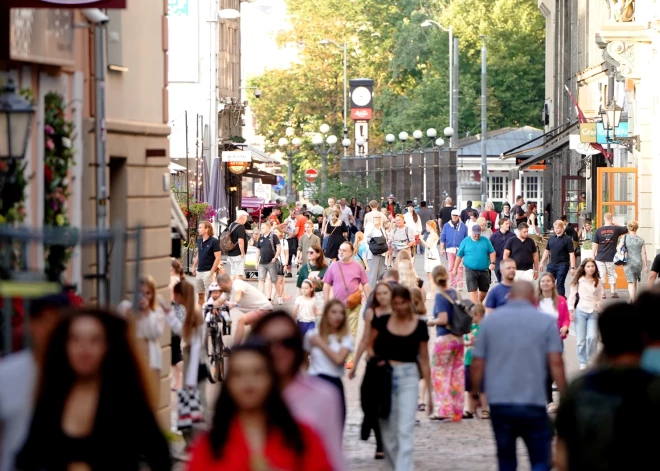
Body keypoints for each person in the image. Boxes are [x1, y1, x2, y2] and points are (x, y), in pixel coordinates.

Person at [16, 308, 171, 471]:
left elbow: (159, 455)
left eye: (94, 340)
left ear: (108, 346)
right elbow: (27, 456)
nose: (84, 349)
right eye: (75, 340)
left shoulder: (126, 399)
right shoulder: (53, 396)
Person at [188, 339, 332, 470]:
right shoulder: (208, 446)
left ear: (271, 378)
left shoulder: (304, 437)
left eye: (257, 372)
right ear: (228, 383)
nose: (248, 381)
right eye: (238, 374)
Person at [471, 282, 566, 471]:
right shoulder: (546, 322)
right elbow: (556, 362)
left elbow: (478, 362)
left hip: (500, 401)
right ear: (533, 298)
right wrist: (565, 394)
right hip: (534, 401)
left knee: (506, 459)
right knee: (539, 459)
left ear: (510, 297)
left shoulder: (491, 322)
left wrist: (475, 395)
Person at [554, 303, 660, 471]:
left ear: (602, 337)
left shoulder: (579, 388)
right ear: (644, 337)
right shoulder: (655, 388)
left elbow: (561, 456)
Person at [249, 311, 346, 471]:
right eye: (268, 343)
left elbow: (334, 459)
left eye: (287, 342)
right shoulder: (244, 395)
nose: (277, 350)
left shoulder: (324, 396)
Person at [0, 294, 71, 471]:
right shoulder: (6, 373)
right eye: (42, 320)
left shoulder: (84, 377)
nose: (49, 328)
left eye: (57, 321)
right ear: (29, 325)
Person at [369, 287, 432, 469]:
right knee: (388, 431)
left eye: (402, 303)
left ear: (409, 302)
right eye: (395, 303)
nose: (399, 307)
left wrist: (429, 394)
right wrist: (376, 360)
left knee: (405, 430)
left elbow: (425, 359)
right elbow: (369, 344)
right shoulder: (382, 322)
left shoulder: (419, 325)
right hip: (385, 376)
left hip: (409, 376)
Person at [349, 282, 392, 459]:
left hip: (390, 365)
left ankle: (381, 444)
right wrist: (356, 362)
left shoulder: (396, 314)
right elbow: (365, 339)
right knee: (367, 400)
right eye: (379, 293)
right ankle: (367, 420)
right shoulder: (371, 313)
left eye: (385, 293)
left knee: (383, 406)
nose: (381, 297)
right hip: (373, 362)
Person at [164, 281, 207, 446]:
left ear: (181, 295)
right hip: (193, 360)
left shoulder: (193, 313)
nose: (173, 297)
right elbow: (181, 331)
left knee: (198, 404)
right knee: (192, 403)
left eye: (175, 294)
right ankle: (193, 442)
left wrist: (190, 379)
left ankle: (200, 444)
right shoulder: (189, 312)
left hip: (195, 361)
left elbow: (196, 344)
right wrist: (168, 313)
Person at [304, 300, 354, 427]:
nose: (338, 316)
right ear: (326, 314)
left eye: (341, 313)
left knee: (336, 424)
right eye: (333, 312)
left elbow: (339, 360)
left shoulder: (346, 338)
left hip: (334, 382)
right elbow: (302, 358)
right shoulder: (312, 335)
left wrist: (321, 344)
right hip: (316, 380)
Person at [323, 241, 371, 366]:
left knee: (352, 331)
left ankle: (349, 359)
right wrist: (326, 301)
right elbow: (327, 284)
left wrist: (370, 301)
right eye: (340, 250)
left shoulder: (358, 266)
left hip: (353, 305)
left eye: (344, 250)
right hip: (337, 306)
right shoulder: (333, 266)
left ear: (351, 252)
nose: (341, 252)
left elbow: (365, 283)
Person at [427, 266, 465, 421]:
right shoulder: (456, 293)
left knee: (440, 374)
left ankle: (444, 409)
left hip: (444, 340)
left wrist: (431, 322)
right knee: (457, 375)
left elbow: (443, 319)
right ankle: (457, 409)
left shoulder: (440, 296)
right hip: (459, 339)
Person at [536, 272, 570, 412]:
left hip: (556, 340)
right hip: (540, 341)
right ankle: (549, 401)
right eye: (543, 281)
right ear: (539, 284)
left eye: (548, 281)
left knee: (553, 370)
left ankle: (549, 398)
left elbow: (566, 318)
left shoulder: (561, 300)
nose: (545, 283)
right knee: (545, 370)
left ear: (553, 283)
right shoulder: (535, 301)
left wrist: (565, 326)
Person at [214, 273, 273, 345]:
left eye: (219, 286)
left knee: (241, 320)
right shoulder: (227, 292)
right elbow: (219, 301)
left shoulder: (237, 283)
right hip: (255, 311)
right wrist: (209, 306)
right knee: (257, 336)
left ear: (222, 284)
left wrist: (235, 302)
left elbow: (238, 293)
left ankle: (235, 348)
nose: (219, 288)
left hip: (264, 309)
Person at [567, 258, 604, 369]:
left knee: (592, 337)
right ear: (584, 268)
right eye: (588, 266)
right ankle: (583, 361)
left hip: (593, 311)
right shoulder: (578, 280)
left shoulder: (598, 280)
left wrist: (598, 304)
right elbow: (572, 295)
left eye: (592, 266)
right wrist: (571, 311)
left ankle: (592, 359)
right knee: (581, 341)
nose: (590, 268)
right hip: (580, 312)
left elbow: (600, 295)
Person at [453, 225, 496, 303]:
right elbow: (459, 255)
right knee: (473, 288)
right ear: (472, 232)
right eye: (475, 234)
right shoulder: (465, 241)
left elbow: (492, 252)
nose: (477, 235)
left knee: (484, 289)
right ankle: (475, 305)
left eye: (478, 234)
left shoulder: (485, 240)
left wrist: (492, 263)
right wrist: (455, 268)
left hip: (484, 269)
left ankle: (479, 302)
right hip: (470, 269)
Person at [593, 212, 628, 299]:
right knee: (611, 274)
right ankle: (613, 292)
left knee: (601, 274)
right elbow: (627, 229)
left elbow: (595, 244)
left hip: (600, 257)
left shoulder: (599, 230)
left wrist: (593, 254)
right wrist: (616, 224)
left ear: (604, 219)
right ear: (612, 219)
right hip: (611, 257)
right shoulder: (616, 229)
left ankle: (603, 293)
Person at [463, 303, 488, 419]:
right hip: (469, 360)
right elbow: (465, 340)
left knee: (482, 388)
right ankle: (470, 409)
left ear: (478, 315)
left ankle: (485, 409)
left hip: (481, 361)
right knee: (469, 388)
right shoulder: (470, 328)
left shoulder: (485, 328)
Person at [539, 219, 576, 296]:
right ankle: (548, 299)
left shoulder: (567, 239)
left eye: (558, 228)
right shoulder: (551, 238)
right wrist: (541, 263)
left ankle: (561, 301)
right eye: (555, 228)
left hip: (563, 265)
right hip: (552, 264)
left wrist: (572, 267)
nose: (556, 230)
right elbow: (546, 251)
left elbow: (571, 254)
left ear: (562, 228)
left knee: (560, 284)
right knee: (547, 283)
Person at [192, 220, 222, 305]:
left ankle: (210, 314)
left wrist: (212, 271)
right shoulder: (199, 241)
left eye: (200, 227)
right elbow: (199, 254)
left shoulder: (214, 241)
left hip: (208, 271)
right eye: (198, 227)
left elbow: (218, 257)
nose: (198, 229)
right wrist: (194, 266)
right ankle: (201, 315)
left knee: (210, 295)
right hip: (199, 271)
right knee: (200, 295)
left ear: (207, 229)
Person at [440, 208, 468, 290]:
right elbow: (443, 238)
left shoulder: (463, 226)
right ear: (451, 216)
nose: (455, 217)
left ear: (459, 216)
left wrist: (466, 250)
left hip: (460, 249)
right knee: (450, 267)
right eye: (453, 215)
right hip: (450, 248)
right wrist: (442, 249)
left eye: (456, 215)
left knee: (460, 267)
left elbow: (466, 238)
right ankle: (453, 283)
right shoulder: (446, 225)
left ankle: (460, 283)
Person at [622, 220, 648, 302]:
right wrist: (645, 266)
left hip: (628, 262)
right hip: (638, 262)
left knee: (630, 281)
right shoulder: (641, 240)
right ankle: (632, 297)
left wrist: (621, 251)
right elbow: (644, 253)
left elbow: (618, 248)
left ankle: (632, 300)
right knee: (635, 280)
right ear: (637, 228)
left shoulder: (625, 237)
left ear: (628, 228)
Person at [256, 221, 281, 298]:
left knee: (274, 280)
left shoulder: (274, 237)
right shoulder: (260, 238)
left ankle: (279, 296)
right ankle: (261, 297)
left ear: (268, 228)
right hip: (262, 262)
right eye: (261, 228)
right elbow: (258, 250)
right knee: (261, 279)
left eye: (263, 227)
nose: (262, 229)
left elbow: (279, 248)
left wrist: (275, 257)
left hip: (271, 262)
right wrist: (256, 261)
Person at [364, 211, 388, 286]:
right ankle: (371, 294)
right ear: (372, 218)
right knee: (372, 276)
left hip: (382, 253)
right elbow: (366, 237)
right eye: (375, 217)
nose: (378, 219)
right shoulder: (370, 226)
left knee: (381, 275)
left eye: (379, 217)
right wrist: (374, 225)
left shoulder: (381, 228)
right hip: (373, 254)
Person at [418, 220, 441, 298]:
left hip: (432, 256)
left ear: (431, 226)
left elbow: (428, 245)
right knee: (430, 276)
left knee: (431, 276)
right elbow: (426, 245)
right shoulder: (431, 235)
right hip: (429, 256)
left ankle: (432, 293)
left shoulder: (434, 235)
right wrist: (420, 241)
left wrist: (421, 239)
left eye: (427, 226)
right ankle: (432, 293)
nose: (426, 227)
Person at [489, 217, 515, 283]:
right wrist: (491, 262)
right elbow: (489, 249)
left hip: (509, 261)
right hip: (497, 261)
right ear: (501, 225)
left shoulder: (513, 236)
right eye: (506, 224)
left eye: (508, 224)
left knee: (506, 280)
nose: (508, 225)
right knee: (500, 281)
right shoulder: (494, 236)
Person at [226, 211, 250, 280]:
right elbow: (240, 241)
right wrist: (242, 253)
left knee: (233, 273)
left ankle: (230, 288)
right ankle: (238, 289)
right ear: (241, 217)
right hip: (238, 253)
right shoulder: (241, 227)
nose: (246, 220)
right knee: (239, 274)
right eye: (245, 218)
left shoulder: (231, 225)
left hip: (231, 253)